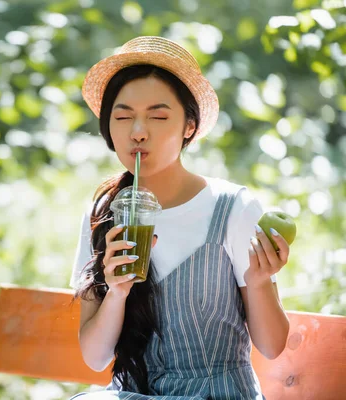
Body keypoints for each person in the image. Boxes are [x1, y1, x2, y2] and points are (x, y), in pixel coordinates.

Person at [69, 36, 291, 399]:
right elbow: (95, 359)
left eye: (158, 116)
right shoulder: (104, 212)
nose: (138, 132)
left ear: (189, 126)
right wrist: (117, 293)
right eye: (123, 117)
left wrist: (261, 281)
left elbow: (272, 347)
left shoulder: (233, 207)